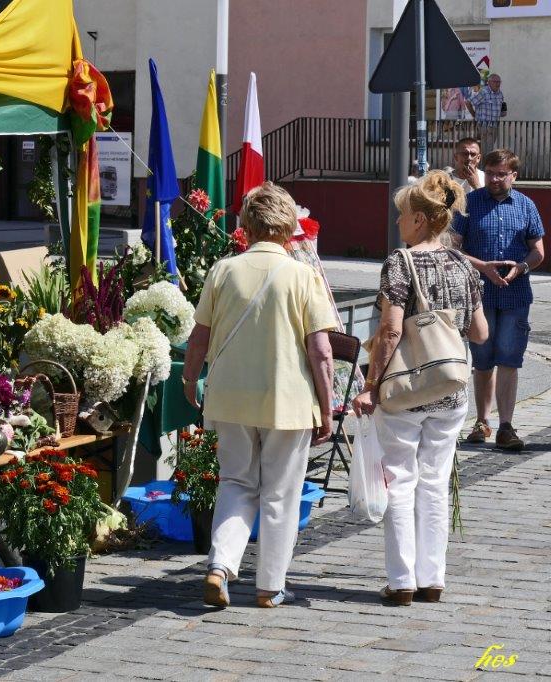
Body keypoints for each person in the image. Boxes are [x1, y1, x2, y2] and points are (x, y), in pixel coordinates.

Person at [182, 182, 335, 609]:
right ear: (289, 227)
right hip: (287, 399)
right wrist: (327, 408)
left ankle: (220, 565)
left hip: (230, 396)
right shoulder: (303, 275)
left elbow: (199, 337)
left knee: (236, 482)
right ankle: (270, 586)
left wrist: (189, 380)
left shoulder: (223, 270)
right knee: (281, 493)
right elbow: (321, 351)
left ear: (246, 226)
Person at [352, 171, 488, 606]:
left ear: (421, 220)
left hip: (406, 390)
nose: (398, 222)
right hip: (450, 389)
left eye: (403, 215)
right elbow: (480, 333)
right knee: (434, 482)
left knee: (400, 479)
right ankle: (433, 579)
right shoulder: (464, 264)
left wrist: (370, 385)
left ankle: (402, 581)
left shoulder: (401, 261)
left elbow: (391, 330)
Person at [450, 149, 545, 450]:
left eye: (501, 174)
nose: (494, 179)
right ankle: (482, 421)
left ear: (513, 175)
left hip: (516, 295)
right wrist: (483, 267)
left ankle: (506, 426)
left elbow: (538, 251)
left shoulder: (526, 205)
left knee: (509, 358)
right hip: (480, 294)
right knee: (482, 359)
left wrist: (522, 267)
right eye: (490, 173)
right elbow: (452, 248)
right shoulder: (469, 204)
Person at [466, 74, 506, 150]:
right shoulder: (483, 92)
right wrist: (474, 115)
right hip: (484, 125)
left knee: (489, 148)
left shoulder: (500, 94)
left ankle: (486, 158)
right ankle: (485, 158)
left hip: (494, 125)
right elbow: (468, 102)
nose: (497, 84)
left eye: (499, 82)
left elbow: (501, 109)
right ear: (489, 82)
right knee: (486, 148)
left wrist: (503, 111)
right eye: (495, 82)